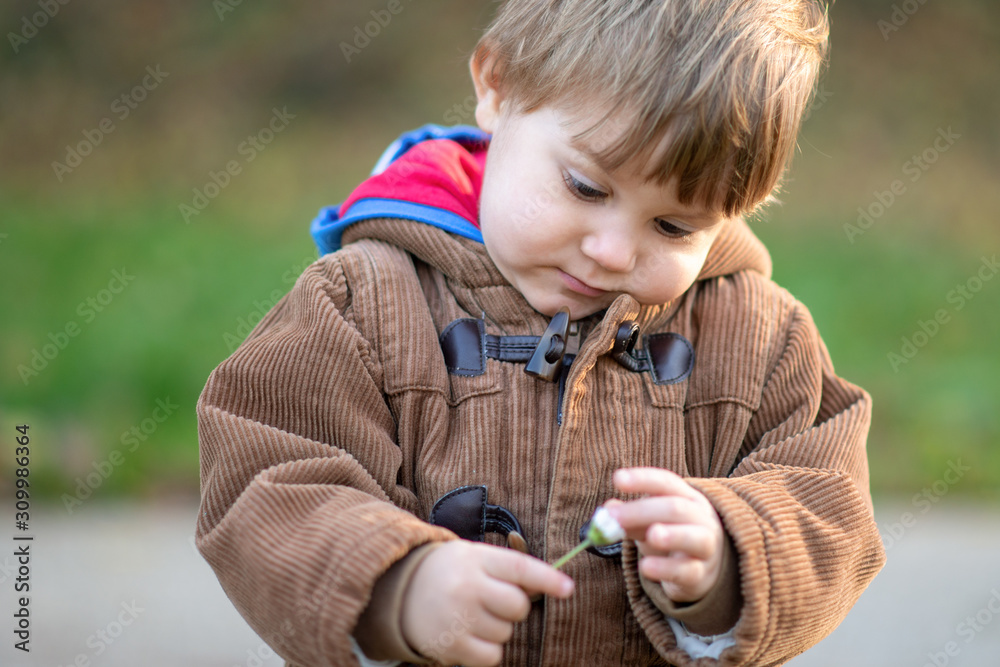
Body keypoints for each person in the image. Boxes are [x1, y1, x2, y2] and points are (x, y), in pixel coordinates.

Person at [194, 0, 886, 665]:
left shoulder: (760, 337)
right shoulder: (359, 302)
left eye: (674, 226)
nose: (613, 253)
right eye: (585, 187)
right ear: (497, 86)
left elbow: (830, 508)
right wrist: (397, 585)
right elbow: (269, 480)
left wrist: (730, 553)